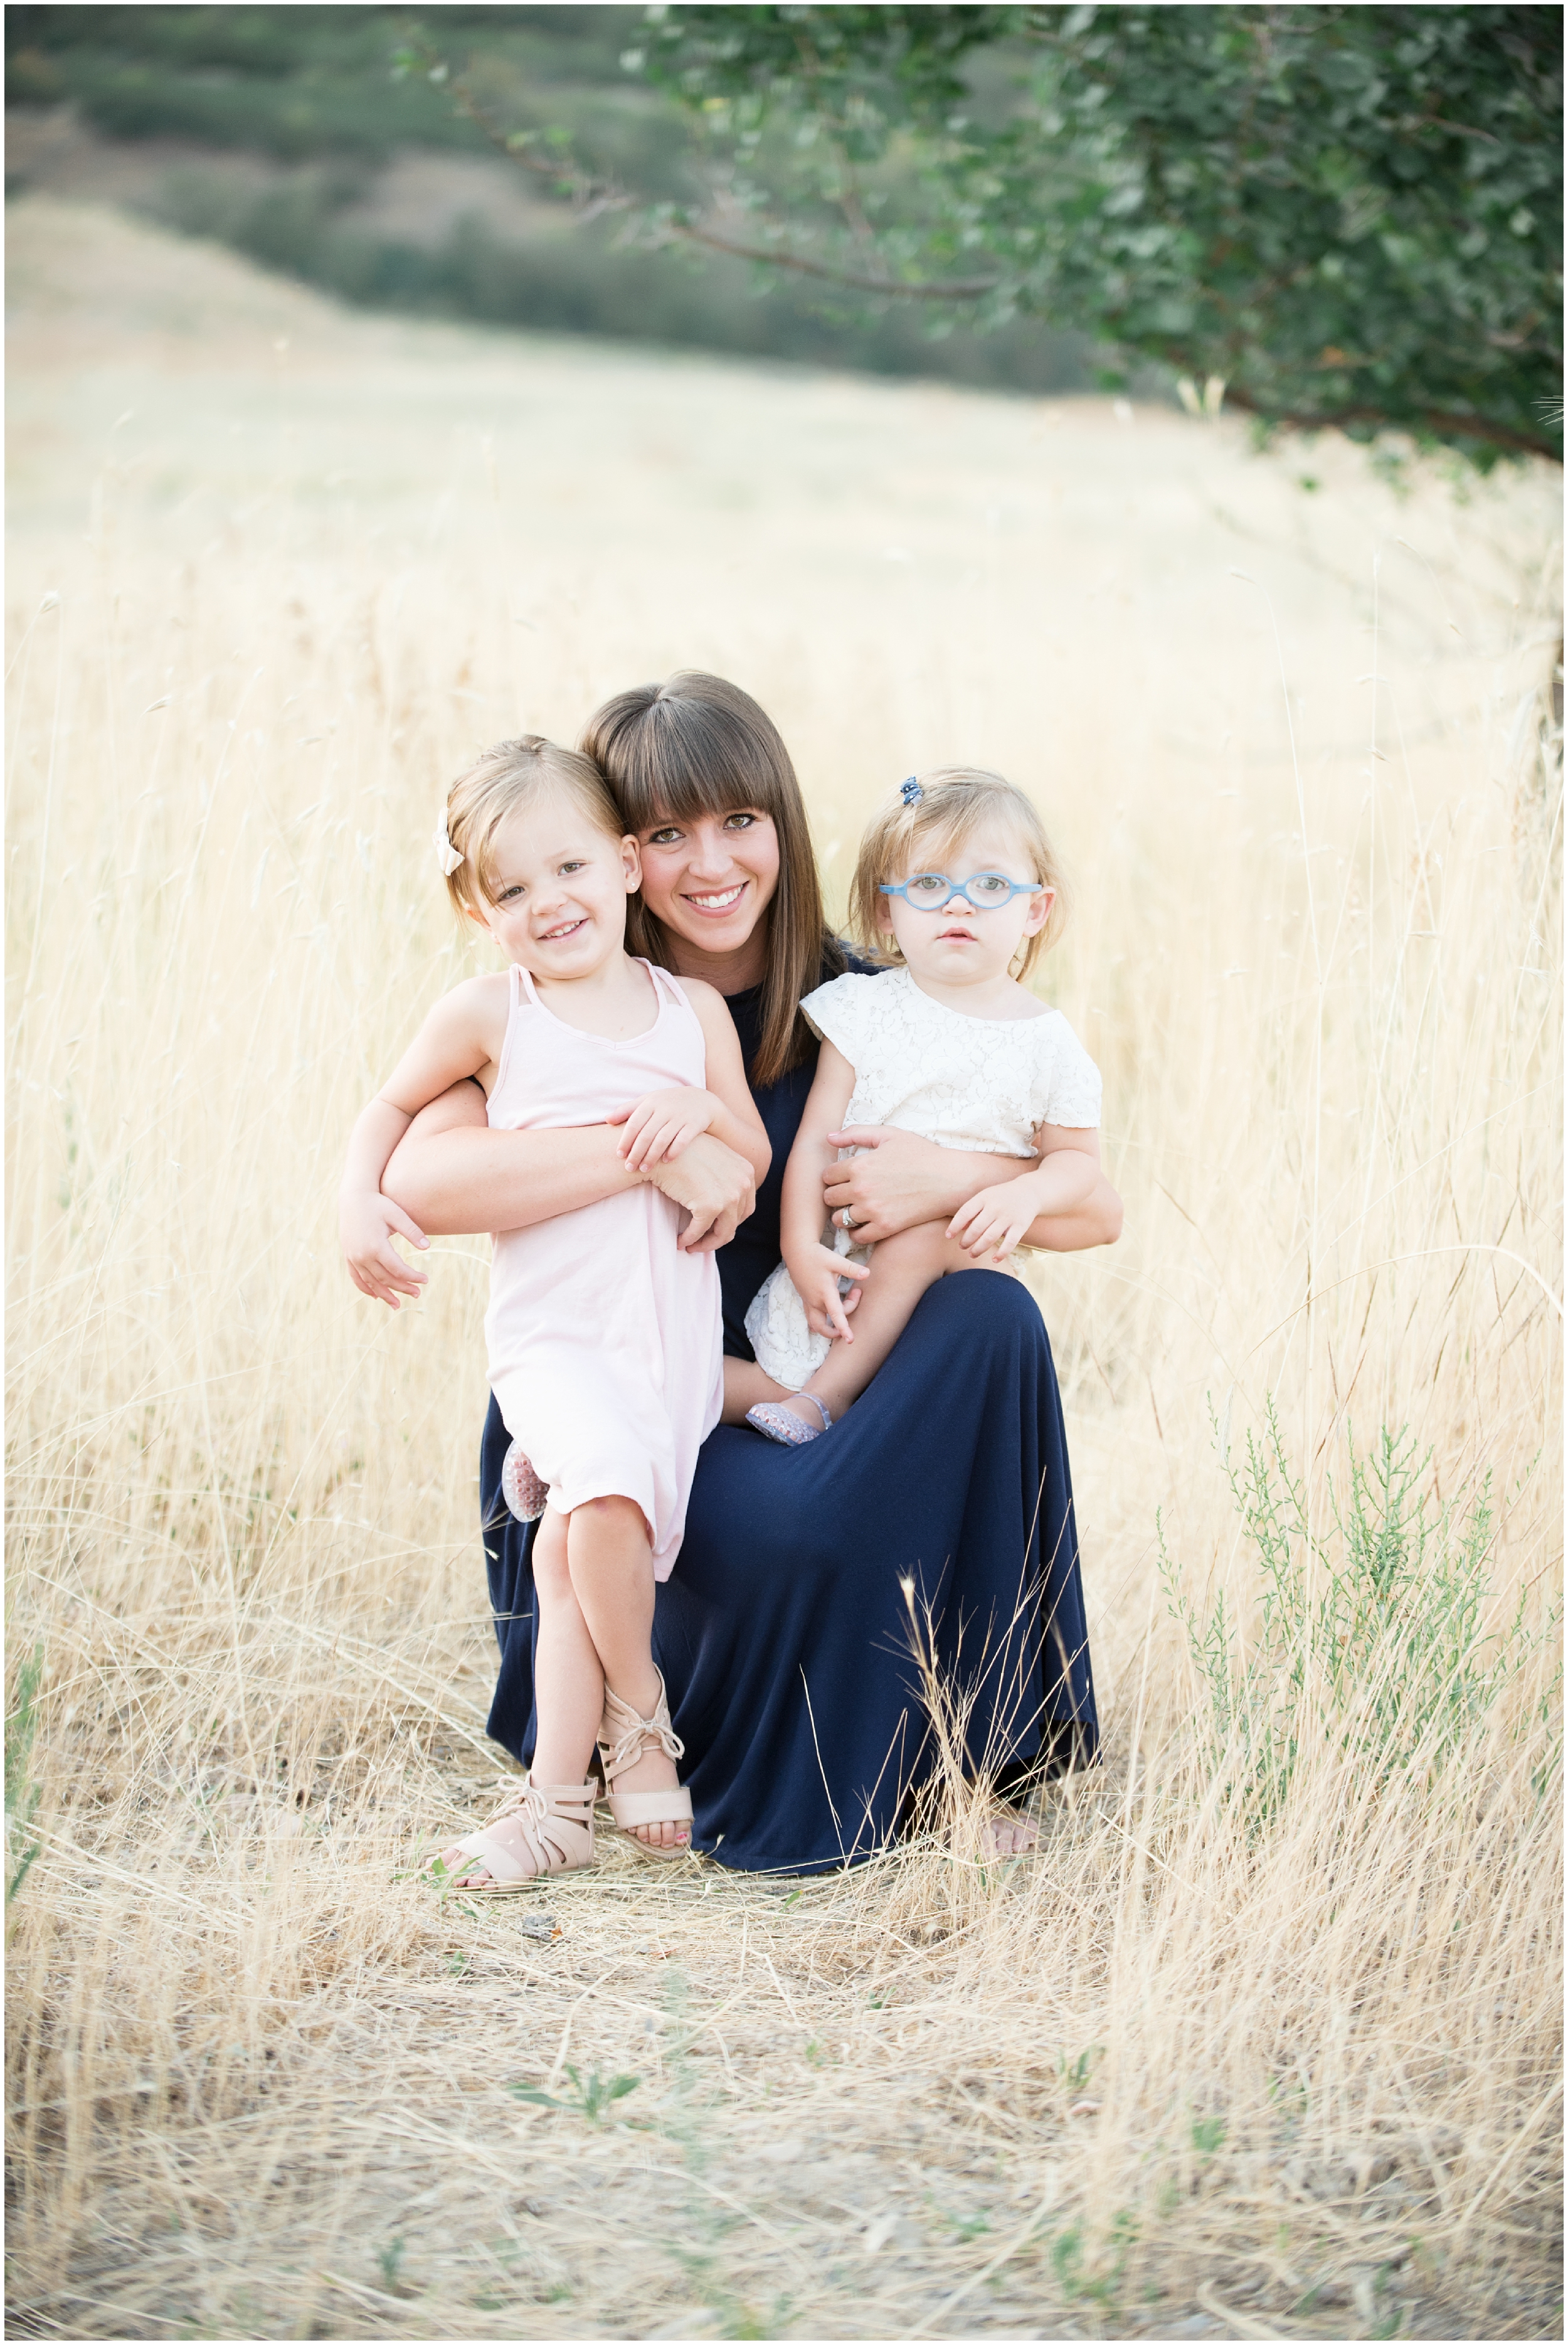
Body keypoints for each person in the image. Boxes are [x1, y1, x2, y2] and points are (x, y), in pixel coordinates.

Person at [351, 673, 1123, 1876]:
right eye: (667, 834)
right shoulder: (571, 991)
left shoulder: (875, 998)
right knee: (804, 1512)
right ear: (618, 851)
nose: (708, 864)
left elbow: (1079, 1203)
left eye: (738, 822)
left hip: (799, 1375)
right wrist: (659, 1145)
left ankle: (970, 1761)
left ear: (784, 825)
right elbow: (429, 1179)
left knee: (993, 1316)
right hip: (623, 1404)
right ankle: (657, 1741)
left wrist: (939, 1172)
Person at [339, 735, 770, 1886]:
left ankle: (553, 1811)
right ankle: (642, 1720)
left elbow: (751, 1148)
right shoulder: (495, 1013)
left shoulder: (689, 1012)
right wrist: (354, 1204)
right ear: (481, 908)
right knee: (604, 1501)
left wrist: (692, 1109)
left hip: (666, 1341)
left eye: (570, 868)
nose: (550, 903)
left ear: (628, 863)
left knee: (582, 1551)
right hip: (558, 1338)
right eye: (513, 888)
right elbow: (388, 1108)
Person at [744, 767, 1102, 1445]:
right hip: (848, 1259)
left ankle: (828, 1399)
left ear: (1035, 910)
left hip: (963, 1271)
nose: (958, 905)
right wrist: (798, 1245)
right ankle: (593, 1425)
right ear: (887, 909)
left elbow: (1080, 1167)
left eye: (990, 885)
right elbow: (819, 1140)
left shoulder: (1048, 1042)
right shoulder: (864, 1009)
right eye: (929, 885)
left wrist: (1025, 1197)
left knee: (926, 1237)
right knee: (744, 1381)